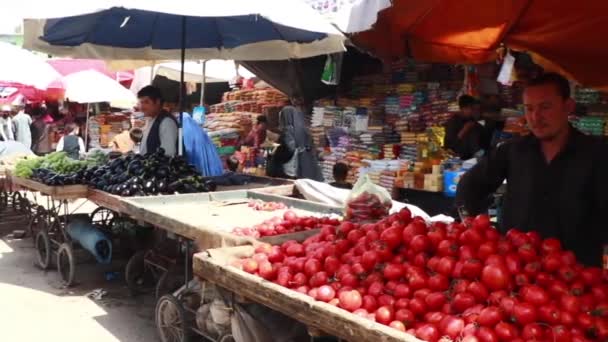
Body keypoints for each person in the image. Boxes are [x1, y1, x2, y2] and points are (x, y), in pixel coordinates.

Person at [455, 72, 608, 266]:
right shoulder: (512, 151)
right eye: (529, 109)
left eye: (545, 107)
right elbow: (470, 186)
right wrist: (476, 232)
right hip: (517, 272)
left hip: (576, 276)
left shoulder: (597, 153)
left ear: (568, 106)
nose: (535, 117)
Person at [268, 106, 323, 181]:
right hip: (305, 169)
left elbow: (289, 150)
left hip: (289, 172)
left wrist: (273, 154)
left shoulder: (287, 133)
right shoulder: (305, 131)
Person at [137, 86, 178, 156]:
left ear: (157, 102)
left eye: (146, 102)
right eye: (141, 102)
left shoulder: (167, 122)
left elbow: (167, 153)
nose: (142, 107)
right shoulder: (153, 119)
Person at [444, 95, 487, 160]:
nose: (474, 111)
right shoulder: (452, 122)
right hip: (456, 155)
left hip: (471, 154)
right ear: (464, 109)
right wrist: (464, 130)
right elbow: (451, 145)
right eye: (472, 109)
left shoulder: (471, 119)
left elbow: (481, 135)